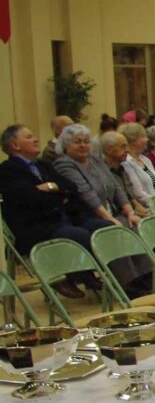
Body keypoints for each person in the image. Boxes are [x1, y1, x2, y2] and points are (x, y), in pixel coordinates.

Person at [0, 125, 106, 299]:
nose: (36, 139)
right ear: (15, 145)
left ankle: (91, 274)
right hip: (38, 227)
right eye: (29, 137)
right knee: (79, 235)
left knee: (103, 228)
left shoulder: (42, 165)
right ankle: (69, 275)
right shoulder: (8, 170)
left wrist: (51, 186)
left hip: (62, 218)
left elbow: (71, 187)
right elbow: (32, 198)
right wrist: (60, 196)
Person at [54, 124, 142, 229]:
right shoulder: (64, 164)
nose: (83, 145)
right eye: (77, 142)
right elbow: (87, 194)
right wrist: (111, 219)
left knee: (140, 225)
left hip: (113, 213)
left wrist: (130, 213)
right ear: (66, 145)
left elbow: (116, 186)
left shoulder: (94, 159)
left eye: (86, 141)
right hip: (90, 218)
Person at [117, 122, 155, 210]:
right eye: (143, 136)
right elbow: (139, 194)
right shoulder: (126, 163)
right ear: (133, 140)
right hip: (149, 208)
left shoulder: (145, 160)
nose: (147, 139)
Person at [99, 132, 150, 219]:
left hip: (132, 211)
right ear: (108, 149)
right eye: (123, 147)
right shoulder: (101, 172)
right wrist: (133, 212)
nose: (127, 150)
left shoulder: (122, 169)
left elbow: (131, 197)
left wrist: (139, 208)